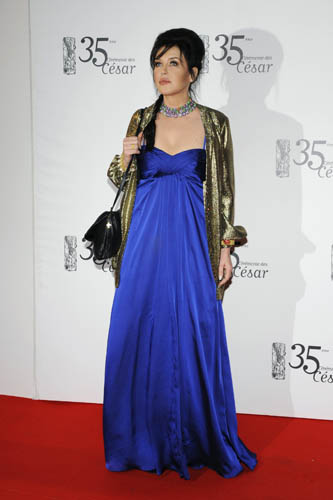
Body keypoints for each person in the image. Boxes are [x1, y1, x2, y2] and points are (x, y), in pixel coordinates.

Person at [103, 27, 258, 480]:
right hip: (142, 241)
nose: (162, 72)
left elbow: (224, 192)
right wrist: (124, 158)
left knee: (195, 330)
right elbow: (119, 178)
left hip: (193, 240)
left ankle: (198, 437)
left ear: (193, 70)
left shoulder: (214, 123)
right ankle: (139, 441)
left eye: (172, 62)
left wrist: (227, 247)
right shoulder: (140, 118)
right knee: (137, 331)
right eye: (157, 62)